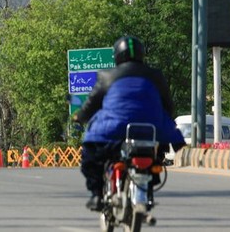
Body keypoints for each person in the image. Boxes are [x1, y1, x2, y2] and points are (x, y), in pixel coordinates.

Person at [72, 36, 185, 211]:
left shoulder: (106, 75)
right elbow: (168, 106)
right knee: (157, 155)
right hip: (151, 131)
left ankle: (96, 195)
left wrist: (80, 117)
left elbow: (91, 105)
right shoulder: (156, 75)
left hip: (113, 131)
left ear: (116, 56)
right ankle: (148, 186)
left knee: (90, 156)